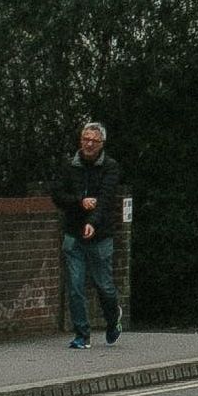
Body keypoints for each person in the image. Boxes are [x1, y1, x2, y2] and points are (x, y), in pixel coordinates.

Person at [48, 120, 125, 349]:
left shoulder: (110, 167)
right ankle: (82, 334)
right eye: (85, 139)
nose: (89, 144)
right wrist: (80, 203)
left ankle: (113, 320)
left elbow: (105, 200)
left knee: (104, 286)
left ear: (102, 143)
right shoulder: (69, 166)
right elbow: (58, 195)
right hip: (73, 234)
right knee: (75, 286)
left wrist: (92, 222)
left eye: (94, 140)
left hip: (100, 236)